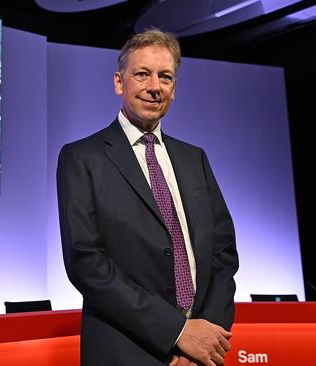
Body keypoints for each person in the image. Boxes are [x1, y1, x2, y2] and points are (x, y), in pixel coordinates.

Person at [56, 29, 239, 366]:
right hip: (125, 351)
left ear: (173, 88)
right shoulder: (81, 158)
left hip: (200, 355)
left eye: (165, 77)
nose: (154, 86)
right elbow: (86, 263)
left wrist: (206, 334)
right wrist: (178, 333)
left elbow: (224, 257)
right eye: (142, 74)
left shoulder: (194, 158)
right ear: (118, 82)